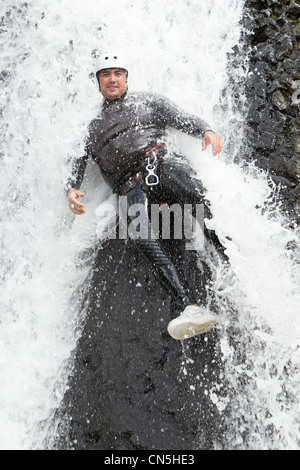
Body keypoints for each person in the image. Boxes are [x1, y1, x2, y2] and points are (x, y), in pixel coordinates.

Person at [66, 52, 225, 341]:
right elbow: (76, 162)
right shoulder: (90, 127)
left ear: (126, 77)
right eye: (105, 74)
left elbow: (182, 118)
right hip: (128, 187)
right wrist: (71, 188)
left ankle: (228, 258)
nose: (112, 79)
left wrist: (206, 130)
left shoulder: (147, 101)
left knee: (197, 198)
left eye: (117, 73)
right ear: (98, 81)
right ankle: (189, 307)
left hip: (160, 165)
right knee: (143, 237)